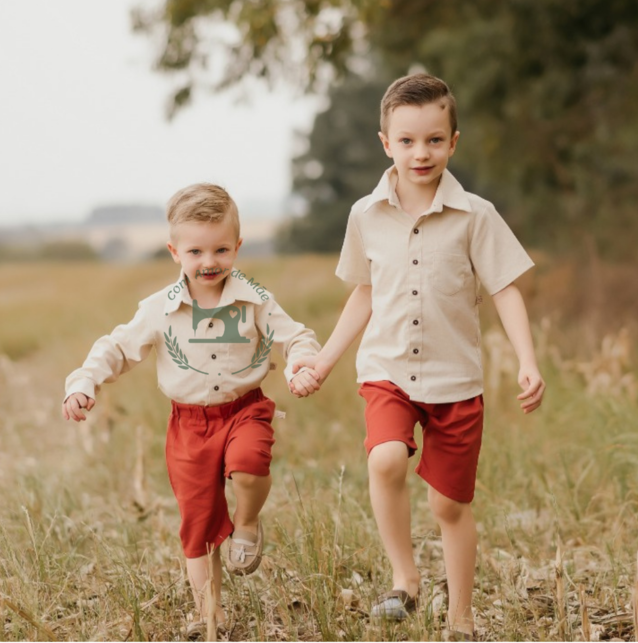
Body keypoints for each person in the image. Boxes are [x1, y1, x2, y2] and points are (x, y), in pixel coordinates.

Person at [290, 73, 545, 640]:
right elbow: (364, 292)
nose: (420, 152)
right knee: (384, 458)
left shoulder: (476, 215)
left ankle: (460, 617)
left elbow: (506, 288)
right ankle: (405, 581)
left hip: (456, 381)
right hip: (388, 371)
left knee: (448, 506)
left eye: (433, 139)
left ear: (453, 141)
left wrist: (527, 361)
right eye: (406, 141)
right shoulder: (366, 215)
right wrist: (326, 360)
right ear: (386, 142)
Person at [62, 183, 321, 637]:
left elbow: (295, 335)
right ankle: (211, 615)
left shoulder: (254, 298)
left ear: (237, 246)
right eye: (196, 251)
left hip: (244, 410)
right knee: (197, 522)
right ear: (174, 251)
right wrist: (84, 382)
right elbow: (116, 348)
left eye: (221, 249)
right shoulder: (158, 309)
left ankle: (247, 522)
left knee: (249, 462)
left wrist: (301, 360)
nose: (209, 262)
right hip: (189, 425)